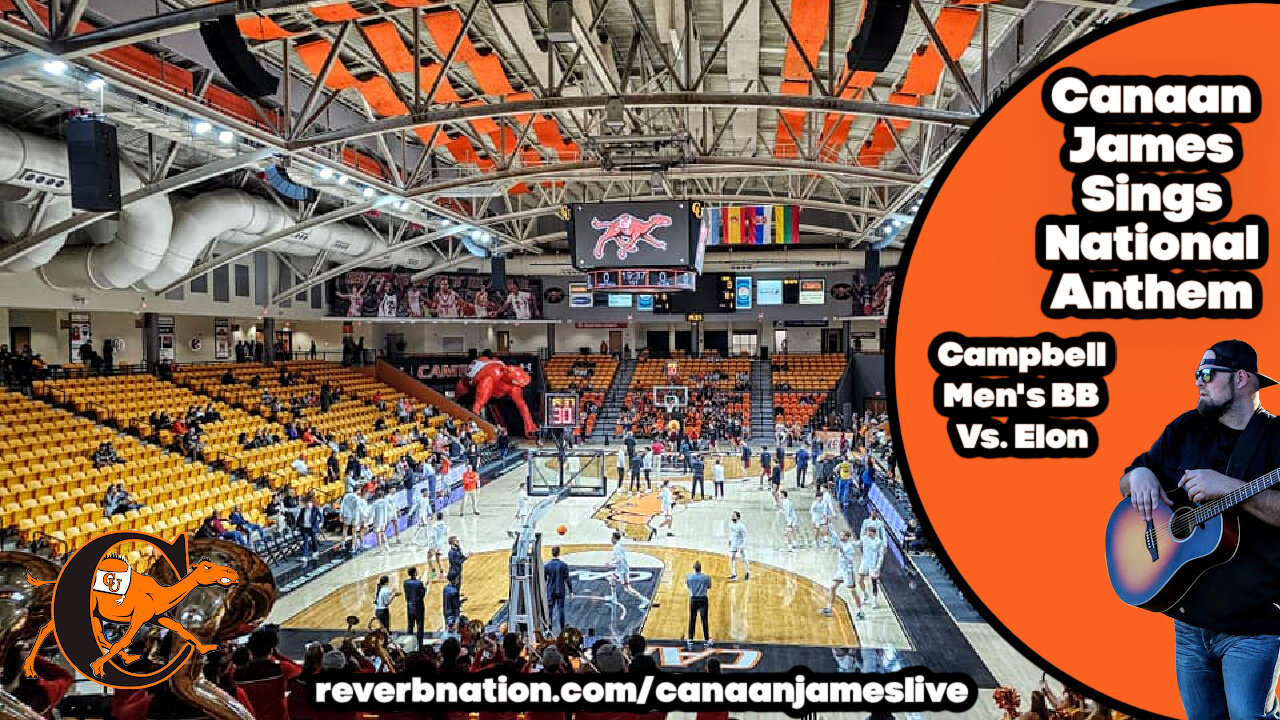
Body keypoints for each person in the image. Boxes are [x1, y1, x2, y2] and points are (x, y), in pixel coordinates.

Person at [1120, 339, 1280, 719]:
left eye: (1207, 374)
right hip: (1188, 624)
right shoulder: (1186, 429)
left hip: (1252, 624)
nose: (1198, 383)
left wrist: (1230, 488)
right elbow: (1130, 479)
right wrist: (1139, 475)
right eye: (1196, 374)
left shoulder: (1276, 438)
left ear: (1242, 378)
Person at [820, 530, 864, 620]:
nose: (841, 537)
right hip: (841, 570)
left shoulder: (850, 546)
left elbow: (850, 559)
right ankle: (829, 608)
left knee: (853, 592)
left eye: (843, 536)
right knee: (832, 587)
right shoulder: (841, 544)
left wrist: (843, 552)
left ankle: (860, 611)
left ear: (847, 537)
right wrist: (830, 532)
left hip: (848, 571)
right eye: (841, 535)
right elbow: (834, 542)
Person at [609, 531, 650, 608]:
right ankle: (613, 597)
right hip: (619, 569)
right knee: (612, 579)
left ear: (614, 538)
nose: (611, 539)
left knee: (627, 589)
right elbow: (616, 558)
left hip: (623, 570)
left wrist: (611, 563)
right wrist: (611, 561)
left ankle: (644, 600)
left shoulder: (618, 547)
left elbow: (620, 559)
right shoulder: (617, 546)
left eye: (612, 538)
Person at [857, 525, 887, 610]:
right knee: (860, 580)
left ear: (873, 532)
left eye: (868, 531)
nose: (867, 533)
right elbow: (857, 543)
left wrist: (878, 567)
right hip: (864, 562)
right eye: (867, 531)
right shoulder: (864, 538)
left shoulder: (879, 542)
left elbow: (881, 556)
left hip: (873, 564)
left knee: (874, 582)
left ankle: (874, 600)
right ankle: (864, 594)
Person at [544, 546, 572, 633]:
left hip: (551, 590)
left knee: (550, 609)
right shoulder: (563, 565)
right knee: (561, 609)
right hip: (560, 589)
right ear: (559, 553)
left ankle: (549, 627)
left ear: (552, 553)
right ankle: (562, 628)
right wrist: (571, 591)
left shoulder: (547, 565)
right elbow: (567, 579)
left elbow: (544, 579)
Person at [686, 560, 711, 649]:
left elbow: (689, 586)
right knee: (704, 620)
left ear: (694, 568)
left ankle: (690, 639)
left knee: (692, 619)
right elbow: (709, 586)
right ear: (700, 568)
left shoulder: (689, 577)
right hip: (703, 599)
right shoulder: (706, 577)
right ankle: (707, 640)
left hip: (693, 599)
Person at [403, 568, 427, 646]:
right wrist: (425, 586)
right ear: (415, 573)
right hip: (419, 607)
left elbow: (407, 594)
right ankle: (420, 645)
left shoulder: (405, 583)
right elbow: (422, 594)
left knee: (410, 625)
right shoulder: (419, 583)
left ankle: (409, 644)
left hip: (410, 607)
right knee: (419, 626)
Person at [297, 496, 324, 564]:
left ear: (312, 503)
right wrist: (297, 527)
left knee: (314, 540)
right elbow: (299, 518)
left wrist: (321, 522)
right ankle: (305, 556)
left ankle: (315, 551)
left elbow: (321, 516)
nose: (308, 505)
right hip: (305, 528)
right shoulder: (302, 510)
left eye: (310, 503)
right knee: (305, 541)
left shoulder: (315, 509)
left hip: (313, 528)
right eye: (307, 503)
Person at [727, 512, 750, 581]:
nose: (732, 517)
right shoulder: (730, 524)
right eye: (732, 516)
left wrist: (742, 545)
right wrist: (730, 541)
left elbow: (745, 536)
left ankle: (747, 572)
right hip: (734, 544)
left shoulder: (741, 526)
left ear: (738, 517)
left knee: (744, 559)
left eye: (734, 516)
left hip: (740, 544)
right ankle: (734, 574)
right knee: (732, 558)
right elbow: (731, 534)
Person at [428, 513, 449, 577]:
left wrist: (432, 544)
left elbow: (434, 536)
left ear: (437, 517)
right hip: (441, 544)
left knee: (429, 557)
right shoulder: (445, 526)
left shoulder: (434, 526)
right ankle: (442, 574)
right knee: (438, 558)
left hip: (434, 544)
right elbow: (445, 534)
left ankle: (433, 573)